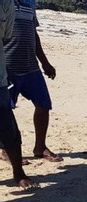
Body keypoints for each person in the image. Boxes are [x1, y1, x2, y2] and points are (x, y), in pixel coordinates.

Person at [2, 0, 61, 162]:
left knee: (43, 105)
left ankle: (40, 147)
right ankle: (6, 149)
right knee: (5, 111)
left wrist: (45, 62)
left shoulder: (30, 3)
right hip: (7, 67)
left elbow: (33, 34)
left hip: (30, 66)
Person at [0, 0, 37, 190]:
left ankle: (18, 172)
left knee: (8, 128)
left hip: (0, 77)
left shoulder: (6, 4)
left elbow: (6, 35)